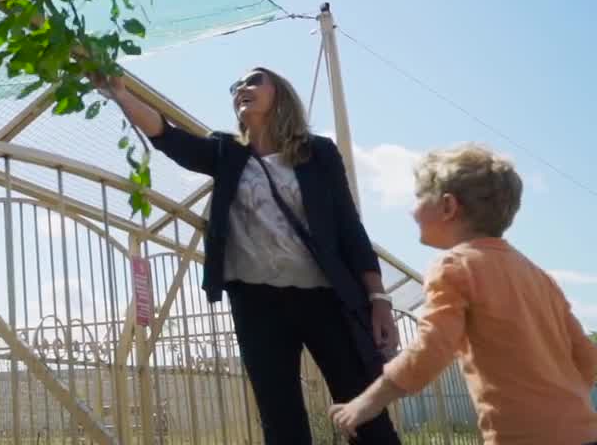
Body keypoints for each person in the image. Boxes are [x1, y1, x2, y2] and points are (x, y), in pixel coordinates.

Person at [93, 66, 402, 444]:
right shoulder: (226, 153)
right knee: (279, 417)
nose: (242, 88)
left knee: (363, 407)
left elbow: (349, 228)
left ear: (280, 93)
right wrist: (121, 94)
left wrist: (379, 299)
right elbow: (166, 136)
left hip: (325, 298)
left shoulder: (317, 153)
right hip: (257, 302)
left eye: (254, 80)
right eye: (236, 85)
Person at [329, 144, 597, 445]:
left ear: (448, 207)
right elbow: (587, 358)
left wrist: (366, 402)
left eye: (419, 198)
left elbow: (432, 350)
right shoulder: (537, 276)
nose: (410, 209)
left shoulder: (455, 267)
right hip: (582, 430)